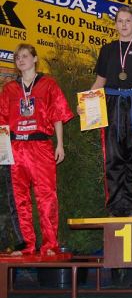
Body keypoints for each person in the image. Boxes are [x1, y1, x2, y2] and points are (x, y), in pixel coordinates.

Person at [87, 6, 132, 217]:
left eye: (128, 21)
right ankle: (115, 207)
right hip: (112, 105)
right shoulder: (107, 50)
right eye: (120, 21)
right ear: (115, 25)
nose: (124, 25)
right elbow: (100, 81)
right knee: (113, 156)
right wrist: (86, 102)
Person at [0, 43, 74, 256]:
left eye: (25, 56)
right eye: (17, 57)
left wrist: (60, 144)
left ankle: (50, 244)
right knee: (19, 198)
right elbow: (2, 122)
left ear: (34, 59)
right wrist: (3, 151)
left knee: (47, 196)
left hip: (41, 146)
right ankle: (27, 245)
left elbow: (57, 115)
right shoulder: (9, 89)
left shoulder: (48, 84)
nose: (21, 60)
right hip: (16, 147)